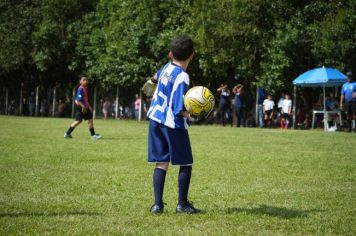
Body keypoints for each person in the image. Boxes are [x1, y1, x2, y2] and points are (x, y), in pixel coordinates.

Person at [147, 35, 200, 214]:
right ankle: (182, 204)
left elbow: (151, 82)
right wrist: (193, 113)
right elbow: (179, 108)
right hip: (172, 124)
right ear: (191, 55)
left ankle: (157, 205)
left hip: (155, 119)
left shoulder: (165, 68)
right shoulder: (183, 76)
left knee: (161, 161)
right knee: (185, 162)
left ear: (170, 54)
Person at [64, 76, 102, 140]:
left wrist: (89, 106)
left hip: (84, 107)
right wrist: (83, 107)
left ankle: (67, 134)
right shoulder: (81, 88)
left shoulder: (84, 88)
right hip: (82, 107)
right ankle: (93, 136)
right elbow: (78, 99)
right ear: (80, 81)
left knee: (80, 121)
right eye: (84, 80)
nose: (86, 81)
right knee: (86, 120)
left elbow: (85, 99)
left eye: (86, 80)